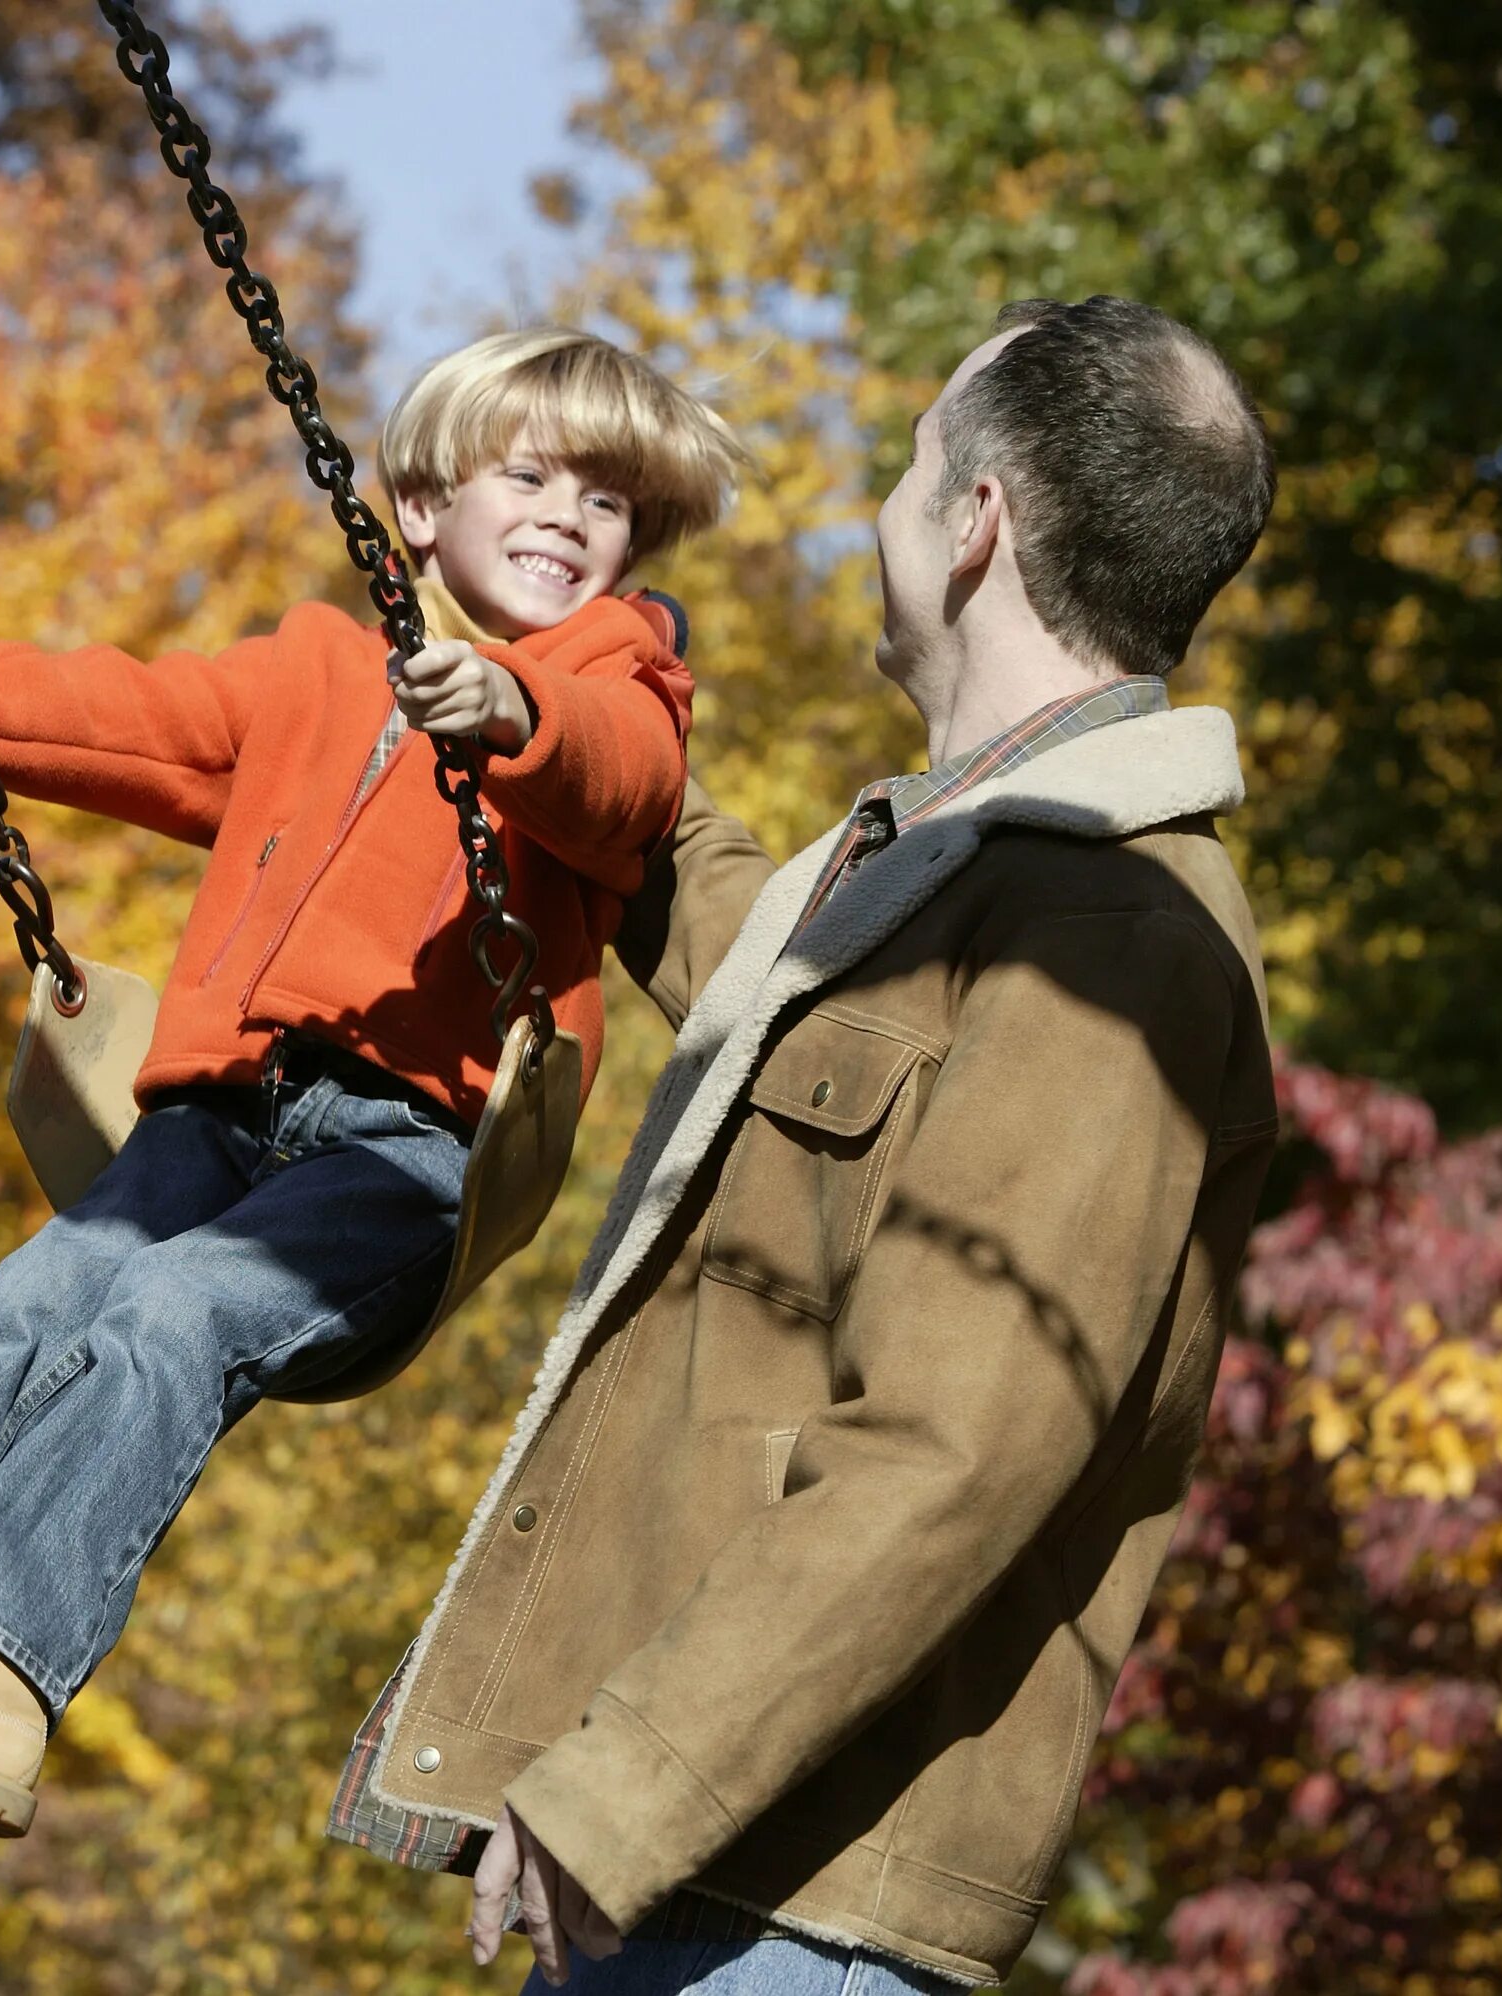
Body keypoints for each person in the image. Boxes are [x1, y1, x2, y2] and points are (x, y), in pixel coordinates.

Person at [0, 327, 749, 1838]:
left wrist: (513, 715)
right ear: (422, 509)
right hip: (219, 1108)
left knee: (169, 1318)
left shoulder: (615, 681)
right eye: (526, 475)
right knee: (30, 1306)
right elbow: (147, 720)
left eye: (607, 505)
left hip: (403, 1156)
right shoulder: (324, 669)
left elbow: (623, 779)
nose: (566, 519)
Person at [324, 296, 1282, 1994]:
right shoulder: (953, 864)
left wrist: (630, 1786)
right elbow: (746, 974)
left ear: (977, 525)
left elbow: (961, 1439)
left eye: (914, 466)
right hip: (714, 1885)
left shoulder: (1107, 928)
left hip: (788, 1907)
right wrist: (559, 732)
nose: (888, 507)